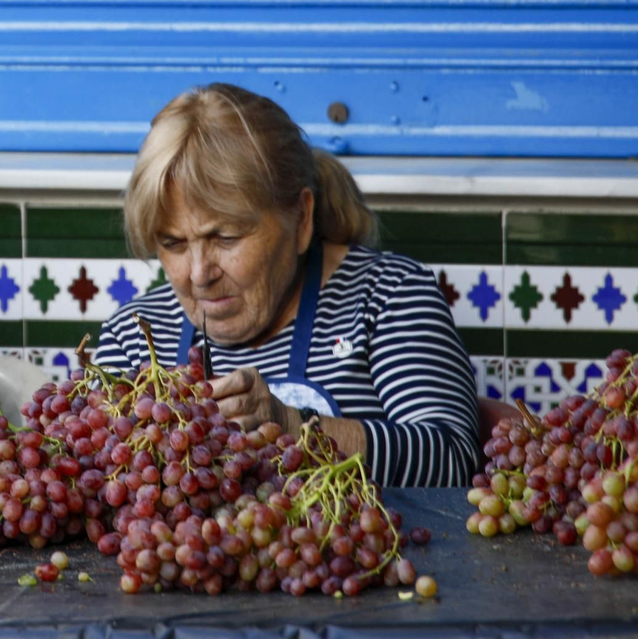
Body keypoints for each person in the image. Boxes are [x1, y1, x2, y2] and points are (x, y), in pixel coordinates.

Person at [93, 84, 480, 487]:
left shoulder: (387, 298)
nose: (198, 274)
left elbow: (453, 459)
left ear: (302, 218)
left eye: (226, 238)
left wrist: (292, 425)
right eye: (173, 243)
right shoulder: (135, 334)